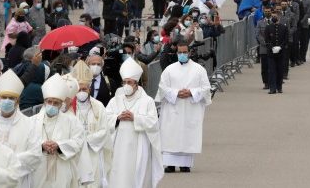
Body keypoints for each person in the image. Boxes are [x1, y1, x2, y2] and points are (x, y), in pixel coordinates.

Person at [106, 57, 163, 187]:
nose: (126, 85)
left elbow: (153, 123)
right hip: (118, 146)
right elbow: (105, 118)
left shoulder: (147, 101)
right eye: (124, 82)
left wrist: (135, 118)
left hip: (139, 145)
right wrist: (117, 118)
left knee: (136, 175)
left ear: (137, 84)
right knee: (119, 175)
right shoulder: (115, 100)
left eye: (130, 82)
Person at [156, 42, 212, 173]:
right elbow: (162, 88)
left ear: (189, 52)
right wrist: (176, 93)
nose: (182, 55)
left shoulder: (199, 69)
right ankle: (169, 164)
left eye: (184, 52)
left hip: (190, 108)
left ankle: (185, 164)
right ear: (176, 53)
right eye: (179, 52)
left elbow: (206, 88)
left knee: (187, 134)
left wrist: (191, 92)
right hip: (172, 107)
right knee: (171, 133)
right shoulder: (169, 69)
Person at [29, 74, 85, 187]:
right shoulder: (31, 121)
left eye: (56, 103)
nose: (52, 105)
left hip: (62, 170)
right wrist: (41, 145)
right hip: (38, 170)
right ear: (44, 101)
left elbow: (78, 142)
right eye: (49, 102)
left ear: (61, 104)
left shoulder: (72, 121)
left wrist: (59, 146)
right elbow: (26, 142)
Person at [0, 69, 42, 187]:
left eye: (11, 98)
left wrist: (6, 161)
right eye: (4, 97)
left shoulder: (29, 124)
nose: (7, 101)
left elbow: (35, 155)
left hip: (17, 182)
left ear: (18, 100)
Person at [69, 60, 112, 187]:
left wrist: (87, 140)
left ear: (89, 88)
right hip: (76, 154)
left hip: (93, 152)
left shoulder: (98, 106)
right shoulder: (69, 108)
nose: (82, 92)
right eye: (79, 89)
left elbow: (105, 131)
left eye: (84, 89)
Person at [264, 7, 289, 95]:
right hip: (271, 53)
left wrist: (280, 47)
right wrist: (272, 47)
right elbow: (266, 40)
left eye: (275, 16)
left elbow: (286, 40)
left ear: (278, 17)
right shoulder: (268, 27)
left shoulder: (284, 28)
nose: (274, 17)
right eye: (273, 16)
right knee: (271, 70)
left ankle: (279, 87)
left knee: (280, 70)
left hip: (281, 53)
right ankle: (272, 88)